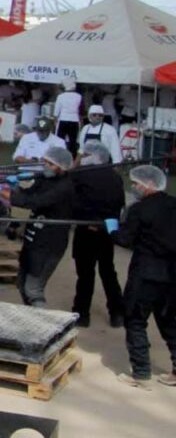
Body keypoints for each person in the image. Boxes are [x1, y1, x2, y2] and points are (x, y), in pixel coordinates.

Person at [107, 164, 176, 389]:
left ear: (150, 184)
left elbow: (125, 239)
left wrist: (112, 230)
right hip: (171, 274)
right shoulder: (173, 204)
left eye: (136, 183)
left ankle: (141, 373)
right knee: (169, 321)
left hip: (145, 273)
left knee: (135, 320)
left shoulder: (139, 210)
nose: (134, 187)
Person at [0, 146, 75, 308]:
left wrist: (2, 193)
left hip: (49, 244)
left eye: (50, 164)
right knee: (21, 283)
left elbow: (35, 202)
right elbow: (29, 194)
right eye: (45, 162)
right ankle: (31, 315)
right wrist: (16, 187)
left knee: (33, 289)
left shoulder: (64, 187)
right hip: (33, 239)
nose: (46, 166)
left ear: (61, 167)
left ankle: (42, 319)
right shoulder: (45, 179)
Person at [68, 140, 125, 328]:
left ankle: (82, 313)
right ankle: (117, 313)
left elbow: (72, 198)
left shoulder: (80, 174)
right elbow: (119, 203)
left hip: (86, 228)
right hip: (107, 229)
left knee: (85, 273)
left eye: (84, 155)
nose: (81, 158)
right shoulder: (116, 177)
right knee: (108, 270)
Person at [53, 77, 82, 153]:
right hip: (74, 120)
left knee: (60, 140)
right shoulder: (79, 96)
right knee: (73, 141)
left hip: (63, 119)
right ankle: (72, 156)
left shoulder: (60, 96)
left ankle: (58, 154)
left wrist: (55, 120)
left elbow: (56, 111)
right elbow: (80, 111)